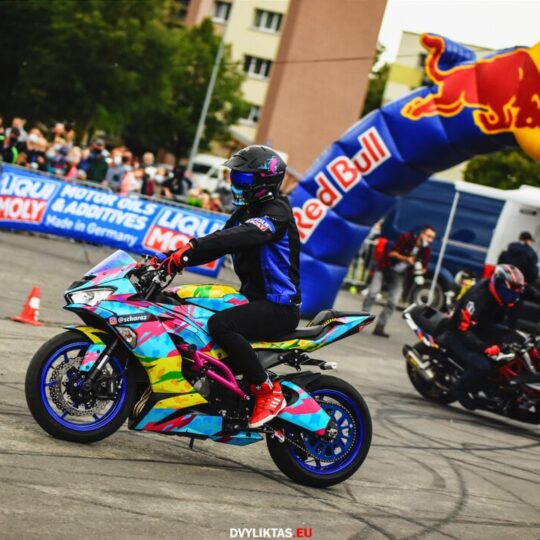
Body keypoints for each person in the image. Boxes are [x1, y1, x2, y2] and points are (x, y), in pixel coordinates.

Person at [161, 145, 301, 429]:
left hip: (279, 306)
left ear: (264, 181)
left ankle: (266, 390)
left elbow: (241, 236)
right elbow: (220, 240)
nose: (235, 184)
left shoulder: (276, 213)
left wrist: (191, 248)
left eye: (243, 178)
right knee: (187, 308)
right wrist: (172, 259)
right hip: (253, 300)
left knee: (221, 325)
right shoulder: (244, 212)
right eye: (233, 177)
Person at [441, 264, 525, 410]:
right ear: (498, 284)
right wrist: (485, 347)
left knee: (517, 342)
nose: (513, 297)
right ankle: (459, 389)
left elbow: (530, 291)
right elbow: (464, 329)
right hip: (458, 334)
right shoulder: (477, 298)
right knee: (483, 366)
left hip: (481, 329)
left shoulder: (503, 292)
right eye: (509, 292)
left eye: (516, 293)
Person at [363, 225, 436, 337]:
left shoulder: (426, 250)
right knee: (373, 293)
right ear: (422, 234)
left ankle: (380, 326)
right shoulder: (407, 238)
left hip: (400, 274)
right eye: (428, 236)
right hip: (385, 267)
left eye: (432, 238)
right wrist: (406, 259)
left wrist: (419, 268)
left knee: (393, 301)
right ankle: (361, 319)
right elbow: (391, 253)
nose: (430, 240)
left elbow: (425, 267)